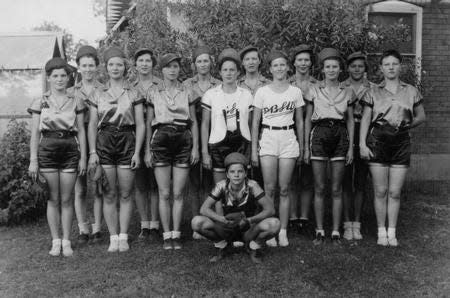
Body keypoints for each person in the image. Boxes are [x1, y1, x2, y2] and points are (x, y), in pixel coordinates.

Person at [359, 49, 425, 247]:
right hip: (378, 142)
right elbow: (365, 119)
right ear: (381, 68)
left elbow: (421, 116)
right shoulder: (372, 91)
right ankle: (381, 231)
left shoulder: (411, 91)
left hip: (401, 143)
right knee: (380, 191)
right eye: (386, 64)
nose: (390, 67)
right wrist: (362, 144)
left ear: (400, 66)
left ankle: (392, 231)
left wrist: (406, 125)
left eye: (394, 64)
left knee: (395, 192)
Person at [87, 47, 145, 253]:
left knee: (127, 193)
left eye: (119, 64)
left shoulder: (134, 91)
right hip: (105, 141)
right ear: (106, 67)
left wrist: (137, 152)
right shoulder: (97, 92)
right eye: (111, 64)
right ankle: (113, 236)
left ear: (125, 67)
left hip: (127, 140)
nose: (115, 68)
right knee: (109, 193)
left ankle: (123, 235)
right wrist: (93, 151)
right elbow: (92, 124)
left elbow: (141, 123)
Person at [28, 57, 87, 257]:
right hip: (47, 150)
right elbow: (35, 132)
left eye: (64, 75)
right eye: (56, 76)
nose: (60, 79)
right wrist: (33, 160)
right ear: (49, 78)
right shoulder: (40, 101)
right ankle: (55, 241)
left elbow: (81, 132)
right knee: (53, 198)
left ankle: (67, 241)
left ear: (69, 78)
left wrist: (84, 157)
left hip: (70, 149)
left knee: (67, 198)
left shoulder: (76, 100)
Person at [144, 53, 200, 250]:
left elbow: (193, 122)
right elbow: (148, 123)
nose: (173, 70)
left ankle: (176, 233)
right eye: (168, 67)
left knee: (178, 193)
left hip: (183, 138)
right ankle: (166, 235)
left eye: (176, 66)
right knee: (164, 192)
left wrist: (196, 148)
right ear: (162, 70)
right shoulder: (153, 92)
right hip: (161, 139)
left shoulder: (188, 91)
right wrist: (147, 151)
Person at [251, 50, 305, 247]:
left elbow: (299, 122)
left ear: (288, 67)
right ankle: (270, 230)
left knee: (284, 188)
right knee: (269, 188)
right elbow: (255, 122)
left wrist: (303, 146)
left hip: (288, 137)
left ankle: (282, 230)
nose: (280, 68)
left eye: (283, 65)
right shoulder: (262, 91)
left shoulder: (295, 92)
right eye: (276, 65)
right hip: (268, 138)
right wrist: (253, 150)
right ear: (270, 69)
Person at [304, 48, 355, 245]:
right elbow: (308, 119)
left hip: (340, 134)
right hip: (319, 133)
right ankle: (319, 230)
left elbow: (350, 120)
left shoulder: (347, 91)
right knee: (319, 186)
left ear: (340, 69)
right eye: (328, 67)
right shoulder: (313, 90)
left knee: (336, 187)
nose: (331, 70)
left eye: (335, 66)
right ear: (322, 69)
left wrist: (351, 146)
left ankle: (334, 231)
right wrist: (307, 147)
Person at [191, 152, 280, 264]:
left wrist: (249, 220)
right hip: (227, 228)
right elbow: (204, 209)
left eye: (240, 171)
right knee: (196, 222)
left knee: (275, 224)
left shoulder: (253, 186)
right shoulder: (221, 186)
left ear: (245, 173)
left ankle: (253, 247)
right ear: (227, 174)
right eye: (232, 172)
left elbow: (270, 210)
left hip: (248, 229)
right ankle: (223, 246)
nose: (236, 175)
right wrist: (221, 220)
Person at [183, 46, 221, 239]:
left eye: (206, 60)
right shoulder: (186, 85)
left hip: (214, 134)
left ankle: (210, 221)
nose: (203, 64)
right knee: (194, 183)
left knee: (210, 182)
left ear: (211, 63)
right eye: (199, 61)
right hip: (192, 135)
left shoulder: (219, 84)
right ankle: (196, 221)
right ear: (194, 64)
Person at [69, 45, 104, 245]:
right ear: (79, 67)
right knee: (80, 188)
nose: (88, 69)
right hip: (77, 141)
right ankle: (83, 228)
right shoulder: (71, 91)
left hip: (99, 140)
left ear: (97, 67)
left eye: (92, 65)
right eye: (84, 65)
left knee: (98, 186)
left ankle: (98, 228)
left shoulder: (104, 89)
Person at [341, 51, 376, 241]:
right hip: (345, 132)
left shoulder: (374, 88)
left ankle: (357, 223)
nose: (356, 69)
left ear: (365, 69)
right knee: (346, 180)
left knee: (361, 181)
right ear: (347, 68)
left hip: (365, 132)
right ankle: (347, 224)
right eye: (353, 66)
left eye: (360, 66)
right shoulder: (340, 87)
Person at [131, 48, 163, 239]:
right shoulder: (129, 86)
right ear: (135, 65)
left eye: (148, 61)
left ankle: (155, 223)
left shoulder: (160, 85)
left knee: (156, 183)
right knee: (140, 183)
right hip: (134, 137)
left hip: (156, 135)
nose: (144, 64)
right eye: (140, 61)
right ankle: (144, 224)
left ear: (153, 64)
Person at [287, 44, 317, 237]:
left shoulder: (318, 85)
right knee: (289, 178)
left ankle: (304, 218)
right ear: (294, 63)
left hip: (313, 132)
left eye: (306, 60)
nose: (303, 63)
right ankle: (291, 216)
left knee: (307, 178)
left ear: (311, 63)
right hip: (289, 132)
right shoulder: (287, 84)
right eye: (300, 60)